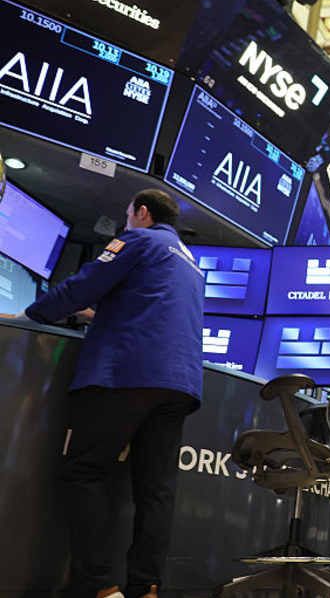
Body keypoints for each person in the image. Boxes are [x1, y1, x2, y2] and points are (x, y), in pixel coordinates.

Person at [14, 189, 203, 598]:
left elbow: (84, 284)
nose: (126, 222)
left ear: (143, 213)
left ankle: (100, 586)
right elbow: (149, 311)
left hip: (126, 375)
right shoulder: (190, 262)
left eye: (128, 214)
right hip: (178, 385)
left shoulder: (138, 239)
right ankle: (147, 588)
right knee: (155, 490)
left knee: (85, 471)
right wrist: (97, 315)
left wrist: (30, 316)